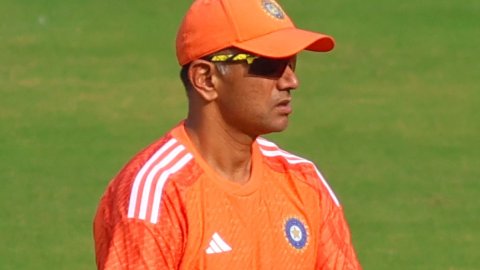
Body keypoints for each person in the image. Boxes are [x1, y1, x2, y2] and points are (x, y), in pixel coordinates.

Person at [93, 0, 362, 269]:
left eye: (292, 63)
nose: (291, 81)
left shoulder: (304, 182)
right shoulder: (159, 192)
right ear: (206, 79)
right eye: (270, 65)